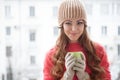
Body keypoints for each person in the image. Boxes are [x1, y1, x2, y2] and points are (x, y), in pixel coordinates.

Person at [43, 0, 111, 80]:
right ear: (62, 25)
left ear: (84, 25)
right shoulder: (51, 55)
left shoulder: (99, 51)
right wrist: (67, 76)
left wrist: (84, 77)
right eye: (68, 23)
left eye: (79, 22)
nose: (74, 29)